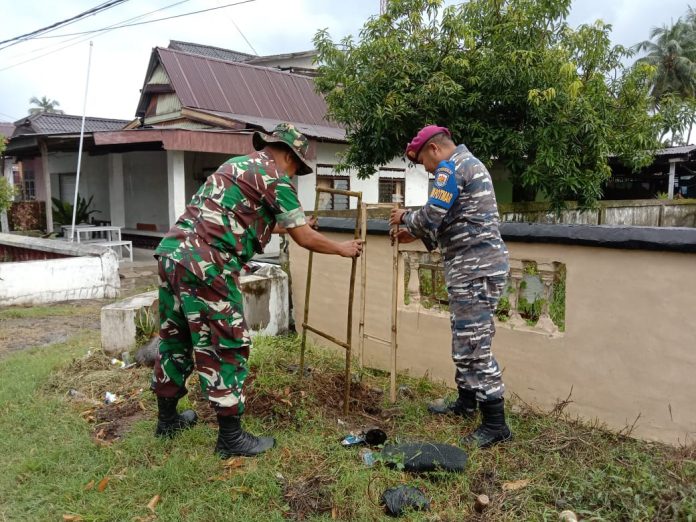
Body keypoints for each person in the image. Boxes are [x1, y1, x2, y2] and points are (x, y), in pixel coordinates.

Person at [152, 122, 363, 458]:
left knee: (176, 337)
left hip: (173, 256)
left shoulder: (234, 165)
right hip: (208, 266)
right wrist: (341, 248)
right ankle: (231, 438)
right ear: (289, 156)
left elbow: (246, 217)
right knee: (226, 343)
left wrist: (294, 225)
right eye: (296, 167)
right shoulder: (276, 180)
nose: (294, 174)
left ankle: (167, 420)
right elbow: (304, 238)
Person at [389, 125, 511, 448]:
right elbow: (450, 221)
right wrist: (414, 232)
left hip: (475, 270)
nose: (425, 170)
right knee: (464, 337)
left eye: (422, 162)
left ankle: (495, 423)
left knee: (475, 344)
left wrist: (404, 218)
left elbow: (432, 216)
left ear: (433, 149)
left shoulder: (451, 168)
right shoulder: (468, 164)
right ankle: (466, 401)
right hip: (474, 268)